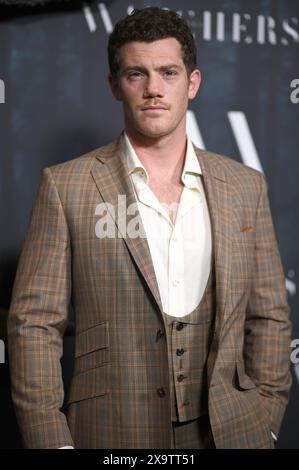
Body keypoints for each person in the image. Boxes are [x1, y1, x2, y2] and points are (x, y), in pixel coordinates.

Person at [7, 7, 292, 449]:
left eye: (168, 72)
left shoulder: (243, 185)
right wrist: (52, 441)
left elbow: (269, 315)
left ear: (192, 83)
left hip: (234, 433)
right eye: (137, 74)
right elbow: (33, 325)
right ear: (115, 85)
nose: (154, 89)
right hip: (110, 435)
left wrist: (267, 419)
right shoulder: (65, 186)